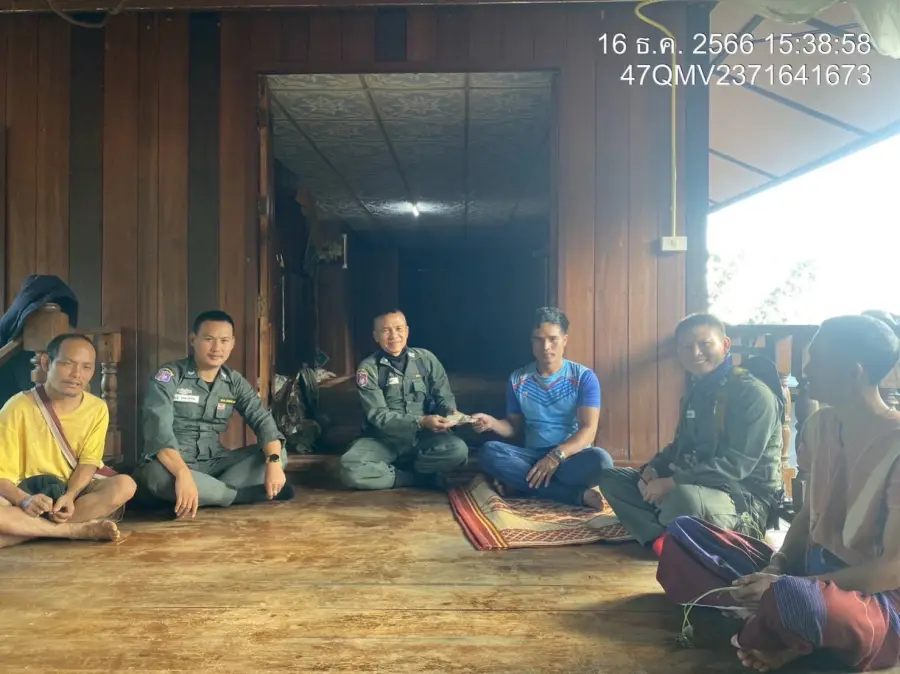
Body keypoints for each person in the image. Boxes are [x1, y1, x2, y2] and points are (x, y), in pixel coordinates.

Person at [724, 315, 900, 672]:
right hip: (808, 571)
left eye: (817, 360)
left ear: (853, 372)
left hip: (869, 596)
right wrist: (777, 565)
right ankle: (782, 629)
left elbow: (892, 570)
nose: (805, 371)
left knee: (798, 601)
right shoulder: (818, 426)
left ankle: (783, 628)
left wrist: (787, 585)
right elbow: (808, 515)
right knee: (688, 536)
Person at [598, 313, 784, 548]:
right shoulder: (695, 392)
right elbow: (679, 446)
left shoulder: (753, 394)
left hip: (743, 499)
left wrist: (672, 483)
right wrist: (652, 469)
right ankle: (662, 538)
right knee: (611, 478)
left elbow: (736, 465)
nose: (695, 353)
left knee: (683, 500)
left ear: (725, 344)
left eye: (704, 344)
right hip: (697, 484)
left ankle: (664, 525)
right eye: (686, 347)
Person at [132, 310, 292, 518]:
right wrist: (182, 473)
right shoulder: (170, 376)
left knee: (278, 453)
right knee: (157, 477)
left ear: (232, 343)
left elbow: (262, 421)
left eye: (224, 341)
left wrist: (273, 461)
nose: (217, 348)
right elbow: (158, 431)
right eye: (209, 339)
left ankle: (206, 493)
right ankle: (237, 496)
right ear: (193, 340)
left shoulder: (233, 381)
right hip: (172, 464)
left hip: (216, 463)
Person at [0, 333, 134, 547]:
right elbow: (2, 477)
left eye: (86, 367)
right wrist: (24, 500)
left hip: (70, 495)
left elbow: (89, 461)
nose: (76, 374)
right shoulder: (16, 407)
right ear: (46, 363)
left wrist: (71, 495)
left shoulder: (97, 408)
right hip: (26, 494)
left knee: (125, 485)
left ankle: (29, 530)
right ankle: (76, 530)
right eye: (67, 364)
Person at [471, 307, 612, 509]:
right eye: (538, 339)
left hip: (570, 458)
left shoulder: (584, 377)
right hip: (532, 458)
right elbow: (513, 427)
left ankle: (523, 484)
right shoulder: (518, 379)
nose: (545, 347)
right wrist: (491, 423)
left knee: (601, 461)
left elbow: (588, 430)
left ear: (565, 340)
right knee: (489, 452)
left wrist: (555, 456)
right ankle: (574, 494)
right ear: (531, 341)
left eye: (553, 339)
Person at [339, 309, 469, 490]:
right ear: (376, 336)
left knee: (458, 451)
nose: (394, 336)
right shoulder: (368, 369)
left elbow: (444, 397)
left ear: (407, 331)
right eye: (386, 331)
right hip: (383, 440)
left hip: (423, 438)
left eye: (399, 329)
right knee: (350, 468)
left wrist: (451, 414)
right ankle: (412, 478)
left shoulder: (426, 360)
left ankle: (404, 470)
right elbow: (378, 416)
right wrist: (421, 421)